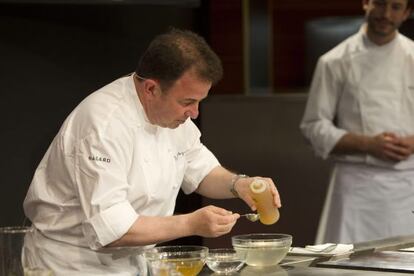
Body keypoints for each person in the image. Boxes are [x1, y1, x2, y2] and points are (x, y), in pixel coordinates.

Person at [22, 29, 281, 275]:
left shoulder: (173, 117)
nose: (194, 113)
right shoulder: (103, 126)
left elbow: (200, 170)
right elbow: (113, 230)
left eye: (199, 101)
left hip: (135, 262)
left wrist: (240, 184)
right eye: (187, 102)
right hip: (71, 266)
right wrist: (192, 224)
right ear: (151, 89)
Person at [301, 0, 414, 244]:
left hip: (408, 184)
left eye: (395, 7)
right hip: (356, 188)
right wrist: (368, 144)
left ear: (407, 13)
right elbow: (313, 127)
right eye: (380, 4)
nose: (386, 14)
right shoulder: (334, 61)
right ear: (366, 3)